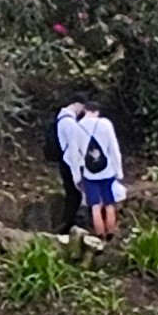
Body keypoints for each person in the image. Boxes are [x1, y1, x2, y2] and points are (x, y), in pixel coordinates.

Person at [55, 100, 125, 238]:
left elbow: (74, 154)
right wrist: (119, 171)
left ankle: (99, 234)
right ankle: (111, 232)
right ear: (97, 112)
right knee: (109, 203)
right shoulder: (105, 124)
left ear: (85, 110)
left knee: (95, 205)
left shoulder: (77, 127)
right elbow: (114, 149)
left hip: (90, 174)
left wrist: (76, 176)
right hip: (107, 171)